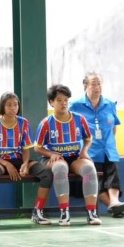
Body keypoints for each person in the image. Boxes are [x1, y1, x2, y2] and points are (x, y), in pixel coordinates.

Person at [0, 92, 55, 225]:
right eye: (9, 105)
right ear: (2, 106)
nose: (13, 108)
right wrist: (6, 164)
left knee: (46, 173)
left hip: (19, 160)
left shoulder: (24, 123)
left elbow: (26, 149)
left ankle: (38, 212)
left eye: (15, 105)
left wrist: (25, 164)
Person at [35, 84, 102, 226]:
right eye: (59, 100)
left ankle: (92, 213)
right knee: (60, 168)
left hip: (75, 157)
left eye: (66, 100)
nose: (63, 103)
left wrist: (84, 151)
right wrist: (50, 154)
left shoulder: (79, 119)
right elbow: (37, 147)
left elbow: (88, 138)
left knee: (89, 169)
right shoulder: (46, 123)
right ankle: (64, 213)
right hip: (54, 159)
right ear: (51, 102)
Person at [69, 73, 124, 218]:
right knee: (95, 180)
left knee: (113, 174)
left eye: (99, 84)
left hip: (108, 149)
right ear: (85, 86)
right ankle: (113, 206)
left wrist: (109, 143)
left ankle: (115, 202)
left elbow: (114, 127)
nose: (97, 87)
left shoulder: (110, 104)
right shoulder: (75, 105)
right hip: (88, 151)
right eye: (93, 84)